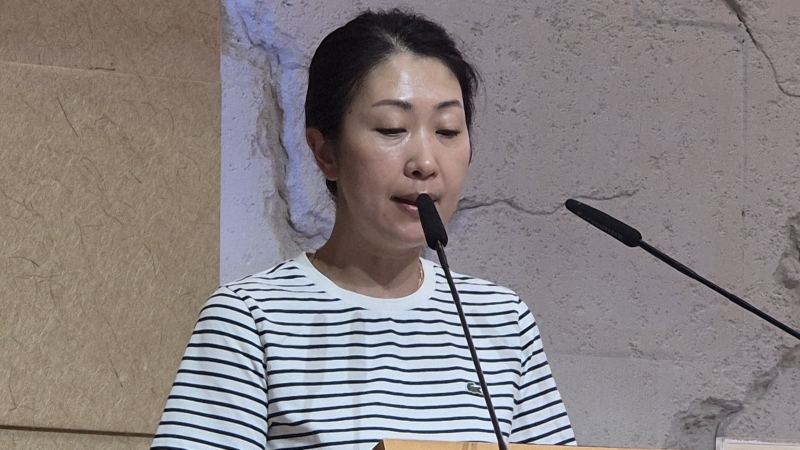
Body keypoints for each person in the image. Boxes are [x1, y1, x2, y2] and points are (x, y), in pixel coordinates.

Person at [151, 8, 575, 450]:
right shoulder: (250, 319)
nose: (425, 162)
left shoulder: (501, 320)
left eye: (448, 131)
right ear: (325, 152)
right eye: (392, 129)